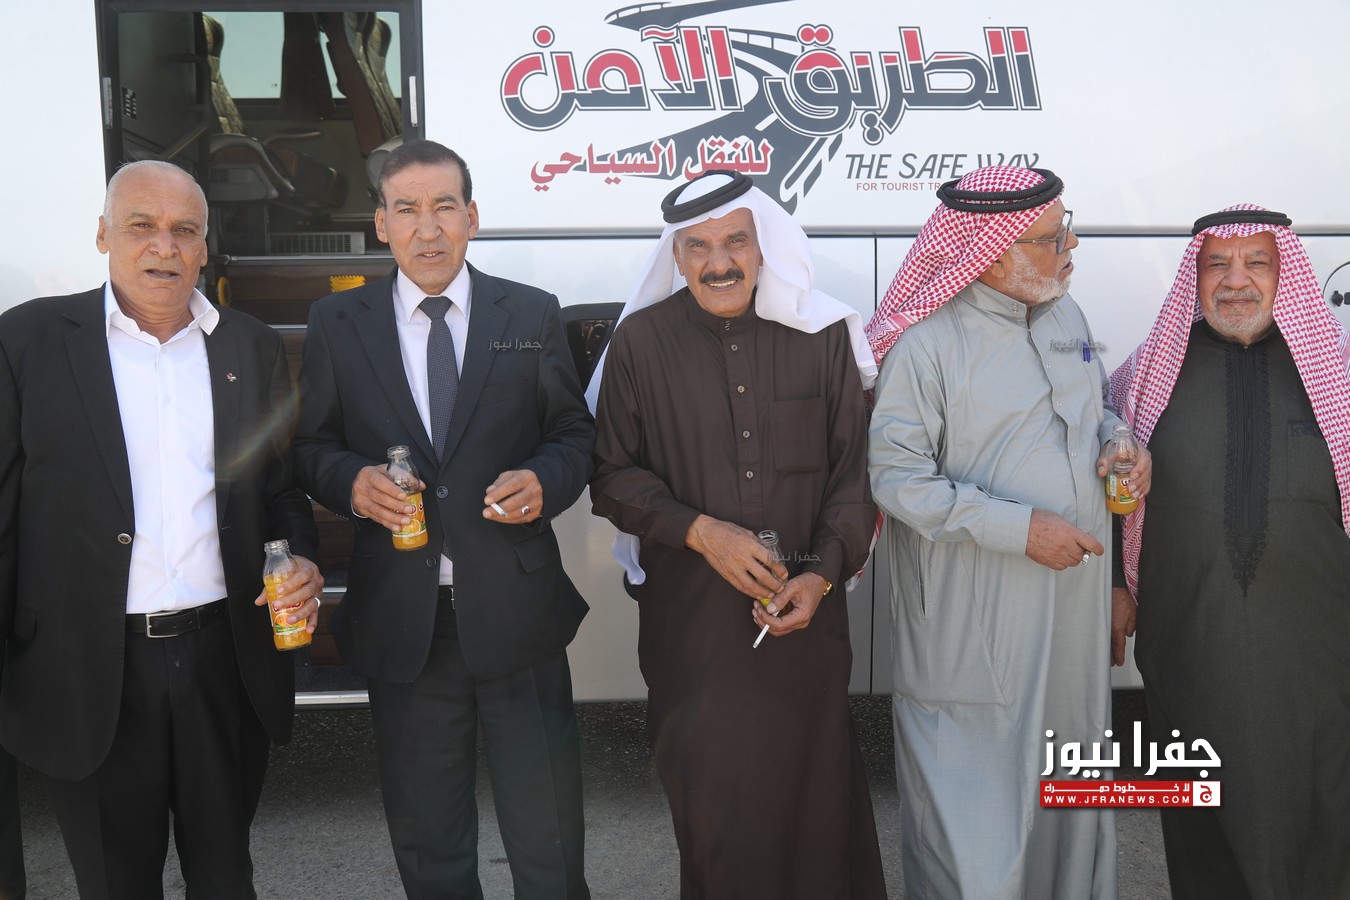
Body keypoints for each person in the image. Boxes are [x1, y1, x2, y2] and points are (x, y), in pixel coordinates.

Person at [0, 159, 322, 898]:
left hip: (223, 661)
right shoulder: (28, 342)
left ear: (206, 247)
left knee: (226, 878)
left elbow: (279, 490)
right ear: (103, 234)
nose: (163, 246)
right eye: (141, 226)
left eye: (184, 230)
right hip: (89, 670)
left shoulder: (249, 346)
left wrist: (301, 558)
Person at [293, 139, 594, 900]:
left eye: (444, 208)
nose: (427, 229)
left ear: (472, 217)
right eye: (407, 210)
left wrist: (545, 479)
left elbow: (573, 434)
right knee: (433, 849)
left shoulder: (530, 312)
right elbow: (312, 447)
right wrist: (352, 482)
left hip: (518, 612)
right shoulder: (337, 321)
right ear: (381, 224)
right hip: (406, 621)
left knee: (550, 841)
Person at [589, 170, 887, 900]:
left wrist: (820, 575)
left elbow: (855, 478)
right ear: (676, 254)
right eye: (697, 246)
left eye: (735, 242)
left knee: (817, 802)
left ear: (764, 247)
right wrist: (700, 532)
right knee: (714, 808)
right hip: (693, 629)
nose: (718, 262)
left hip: (808, 617)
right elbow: (611, 477)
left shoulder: (823, 336)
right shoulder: (640, 344)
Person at [866, 166, 1150, 899]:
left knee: (1070, 781)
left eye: (1066, 228)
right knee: (978, 816)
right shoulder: (926, 345)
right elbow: (895, 479)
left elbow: (1097, 407)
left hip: (1072, 609)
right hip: (975, 618)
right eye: (1054, 236)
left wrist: (1119, 441)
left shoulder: (1066, 316)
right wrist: (1019, 529)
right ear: (991, 253)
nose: (1071, 245)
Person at [1107, 206, 1350, 900]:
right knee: (1203, 817)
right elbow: (1105, 488)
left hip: (1320, 653)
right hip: (1191, 643)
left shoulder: (1335, 371)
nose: (1235, 281)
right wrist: (1115, 588)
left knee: (1322, 816)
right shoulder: (1144, 378)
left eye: (1256, 263)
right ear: (1196, 275)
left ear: (1285, 275)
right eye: (1217, 264)